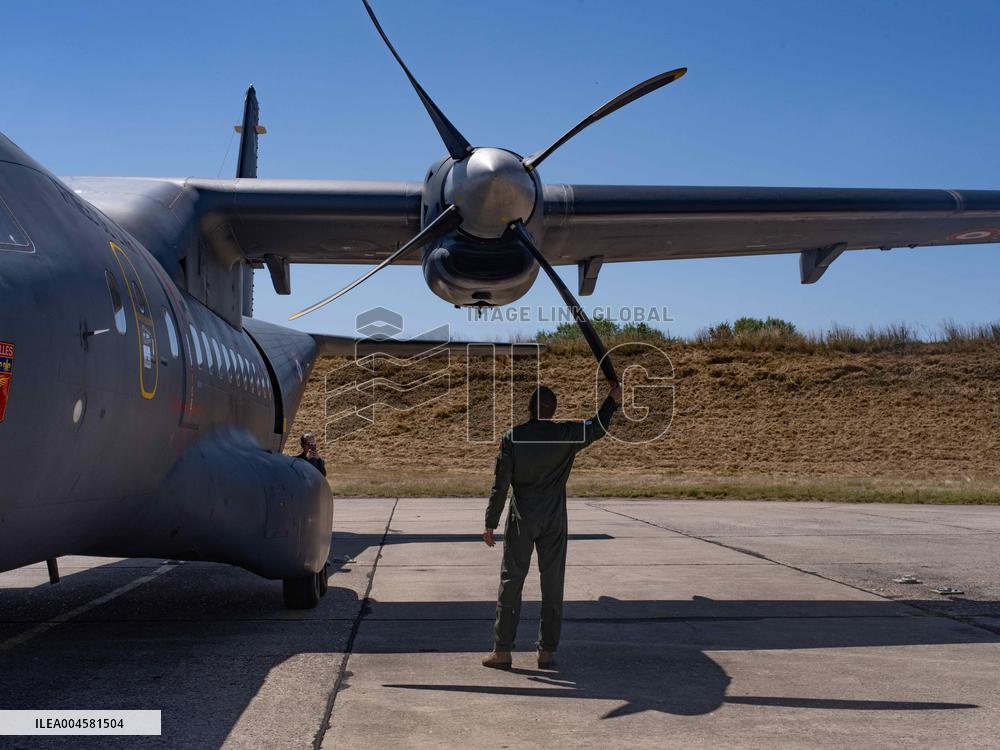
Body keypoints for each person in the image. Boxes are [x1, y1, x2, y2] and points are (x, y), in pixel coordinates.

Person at [481, 382, 622, 670]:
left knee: (511, 582)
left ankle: (502, 650)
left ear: (529, 409)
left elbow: (500, 485)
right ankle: (546, 651)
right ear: (554, 410)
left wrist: (490, 522)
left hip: (522, 518)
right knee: (553, 582)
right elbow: (597, 427)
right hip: (554, 518)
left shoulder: (513, 437)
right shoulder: (566, 434)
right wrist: (612, 401)